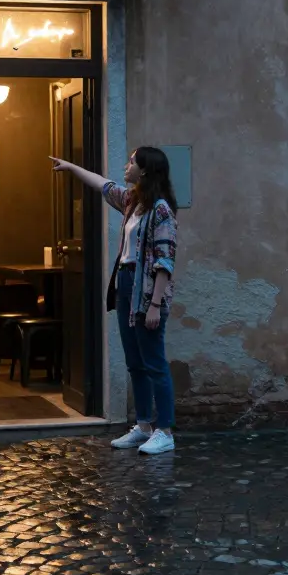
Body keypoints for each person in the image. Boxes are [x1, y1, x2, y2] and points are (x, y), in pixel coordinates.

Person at [50, 148, 179, 455]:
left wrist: (155, 304)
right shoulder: (132, 202)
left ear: (145, 170)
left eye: (132, 162)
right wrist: (70, 167)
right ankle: (144, 426)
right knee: (135, 362)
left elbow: (165, 261)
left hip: (145, 288)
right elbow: (101, 184)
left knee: (154, 363)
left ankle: (165, 430)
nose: (127, 165)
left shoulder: (160, 211)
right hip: (124, 283)